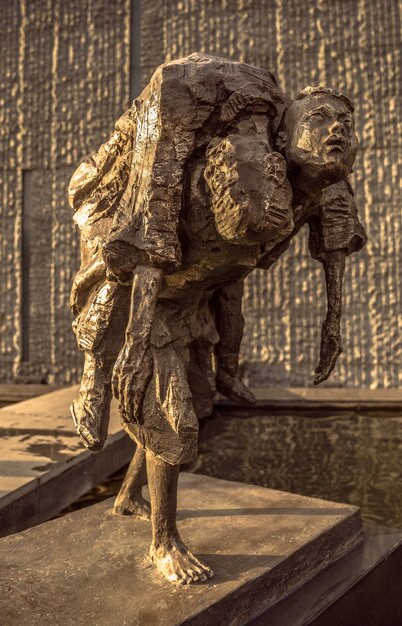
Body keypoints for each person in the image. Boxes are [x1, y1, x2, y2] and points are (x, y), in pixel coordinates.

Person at [69, 54, 366, 584]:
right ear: (282, 133)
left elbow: (290, 262)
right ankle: (164, 541)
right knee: (172, 417)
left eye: (344, 121)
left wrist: (331, 327)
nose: (336, 128)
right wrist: (135, 341)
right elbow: (152, 246)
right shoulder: (228, 177)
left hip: (193, 298)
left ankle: (128, 495)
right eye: (319, 118)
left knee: (196, 403)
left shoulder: (314, 191)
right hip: (144, 292)